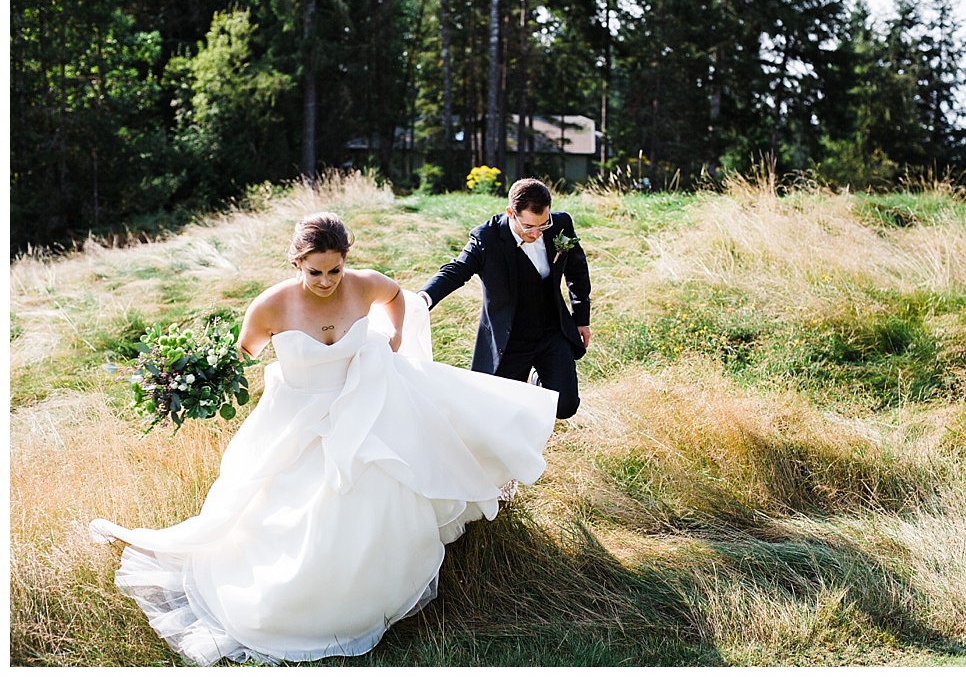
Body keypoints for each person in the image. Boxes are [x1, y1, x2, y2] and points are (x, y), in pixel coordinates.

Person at [89, 212, 558, 666]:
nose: (327, 281)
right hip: (298, 417)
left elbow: (396, 296)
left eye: (335, 269)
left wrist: (394, 332)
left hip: (363, 403)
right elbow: (242, 355)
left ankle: (371, 594)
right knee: (282, 509)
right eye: (315, 272)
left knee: (376, 490)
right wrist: (199, 379)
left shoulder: (364, 284)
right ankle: (297, 605)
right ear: (297, 264)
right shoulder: (271, 306)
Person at [418, 178, 591, 420]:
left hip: (552, 331)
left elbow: (577, 270)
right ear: (511, 212)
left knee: (565, 406)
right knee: (495, 410)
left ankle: (537, 381)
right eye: (529, 226)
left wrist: (582, 319)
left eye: (543, 225)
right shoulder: (486, 238)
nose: (536, 233)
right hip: (509, 339)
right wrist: (423, 299)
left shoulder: (560, 225)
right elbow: (456, 270)